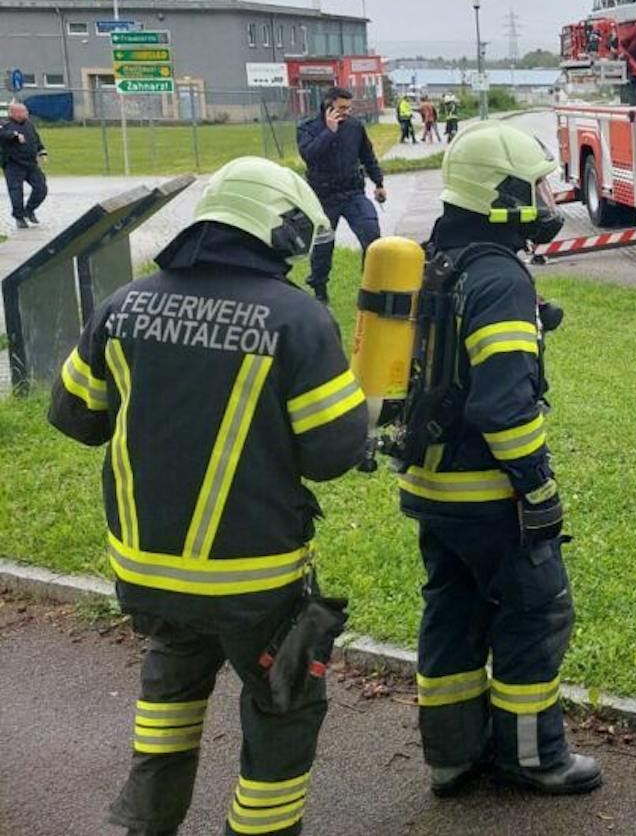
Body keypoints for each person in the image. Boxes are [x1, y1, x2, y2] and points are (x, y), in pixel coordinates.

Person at [47, 156, 369, 836]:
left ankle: (143, 823)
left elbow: (74, 416)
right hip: (252, 578)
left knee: (172, 680)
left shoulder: (124, 304)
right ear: (280, 231)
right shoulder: (298, 319)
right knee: (286, 703)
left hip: (144, 572)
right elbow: (334, 454)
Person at [395, 121, 599, 798]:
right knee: (535, 613)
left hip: (431, 483)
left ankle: (451, 758)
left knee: (453, 613)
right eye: (536, 187)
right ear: (500, 194)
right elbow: (504, 408)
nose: (547, 198)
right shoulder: (498, 276)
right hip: (489, 494)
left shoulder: (436, 259)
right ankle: (533, 757)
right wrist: (537, 485)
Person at [297, 85, 387, 304]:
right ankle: (319, 289)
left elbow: (367, 156)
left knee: (372, 236)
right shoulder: (308, 128)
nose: (347, 111)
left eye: (349, 107)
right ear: (329, 106)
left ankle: (370, 287)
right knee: (322, 247)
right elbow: (310, 156)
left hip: (353, 193)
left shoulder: (355, 127)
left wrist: (379, 182)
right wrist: (329, 131)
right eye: (342, 107)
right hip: (324, 197)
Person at [0, 98, 48, 229]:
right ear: (14, 113)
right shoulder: (4, 123)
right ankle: (19, 217)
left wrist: (42, 151)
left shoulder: (28, 124)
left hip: (30, 163)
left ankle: (29, 210)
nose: (27, 113)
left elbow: (35, 139)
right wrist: (14, 135)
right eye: (24, 111)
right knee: (16, 191)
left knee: (41, 188)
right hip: (13, 164)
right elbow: (2, 134)